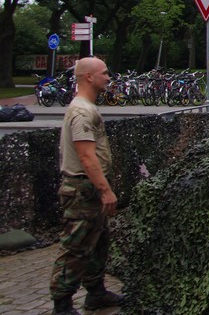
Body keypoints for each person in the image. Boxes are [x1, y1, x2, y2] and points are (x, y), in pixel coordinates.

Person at [49, 56, 126, 315]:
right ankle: (62, 304)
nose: (108, 78)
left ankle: (96, 292)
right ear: (89, 77)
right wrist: (105, 190)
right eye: (104, 73)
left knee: (98, 242)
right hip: (82, 190)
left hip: (90, 188)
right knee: (76, 247)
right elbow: (86, 157)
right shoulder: (81, 112)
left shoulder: (87, 108)